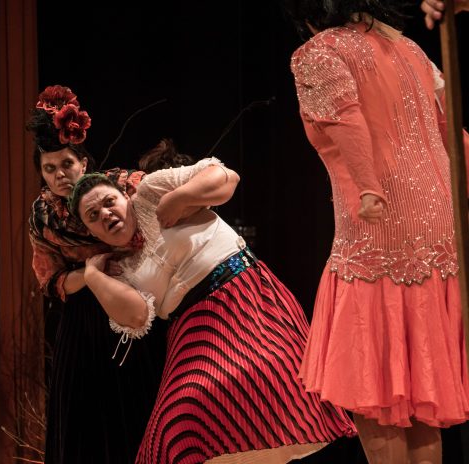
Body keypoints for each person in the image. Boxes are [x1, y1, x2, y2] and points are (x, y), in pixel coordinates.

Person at [68, 155, 356, 464]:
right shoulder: (116, 267)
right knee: (177, 424)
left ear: (125, 197)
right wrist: (93, 275)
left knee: (270, 381)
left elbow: (225, 178)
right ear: (92, 232)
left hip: (243, 297)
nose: (105, 214)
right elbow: (135, 317)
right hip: (193, 332)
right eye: (93, 215)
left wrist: (180, 197)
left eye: (109, 202)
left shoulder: (151, 192)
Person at [287, 1, 469, 462]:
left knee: (379, 392)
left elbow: (345, 119)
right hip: (437, 224)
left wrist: (369, 188)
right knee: (420, 393)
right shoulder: (410, 48)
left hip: (381, 223)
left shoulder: (320, 50)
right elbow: (453, 132)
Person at [27, 85, 166, 464]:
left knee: (139, 410)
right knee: (86, 422)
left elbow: (165, 200)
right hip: (85, 323)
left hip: (138, 305)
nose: (60, 175)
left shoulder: (118, 186)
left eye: (67, 164)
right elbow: (52, 281)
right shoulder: (44, 218)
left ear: (84, 163)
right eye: (50, 169)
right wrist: (91, 273)